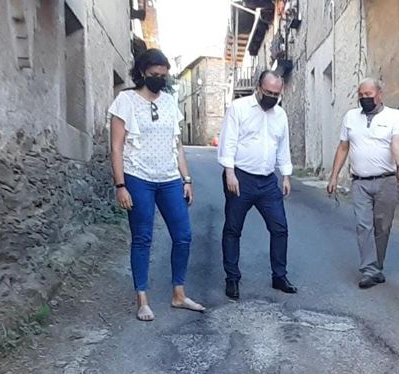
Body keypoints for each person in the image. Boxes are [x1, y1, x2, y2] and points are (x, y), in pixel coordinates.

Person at [110, 48, 204, 322]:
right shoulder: (125, 101)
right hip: (138, 178)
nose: (159, 80)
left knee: (183, 235)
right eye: (154, 75)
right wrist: (120, 185)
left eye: (163, 76)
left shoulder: (170, 103)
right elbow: (116, 148)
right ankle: (142, 300)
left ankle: (178, 293)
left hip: (170, 179)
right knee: (142, 238)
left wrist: (187, 179)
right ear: (142, 72)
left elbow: (178, 145)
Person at [217, 70, 298, 300]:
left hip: (267, 181)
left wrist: (286, 175)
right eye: (268, 92)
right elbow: (228, 141)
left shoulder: (280, 115)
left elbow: (282, 146)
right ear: (258, 88)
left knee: (280, 228)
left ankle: (279, 276)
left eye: (276, 93)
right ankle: (232, 278)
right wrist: (229, 173)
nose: (272, 97)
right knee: (233, 229)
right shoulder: (238, 109)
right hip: (240, 178)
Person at [326, 78, 399, 289]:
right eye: (361, 96)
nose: (365, 99)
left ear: (380, 94)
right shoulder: (350, 117)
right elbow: (343, 147)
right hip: (360, 182)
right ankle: (369, 270)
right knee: (364, 226)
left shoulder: (394, 116)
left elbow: (397, 142)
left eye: (368, 95)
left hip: (386, 181)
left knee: (383, 226)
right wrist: (334, 175)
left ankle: (377, 266)